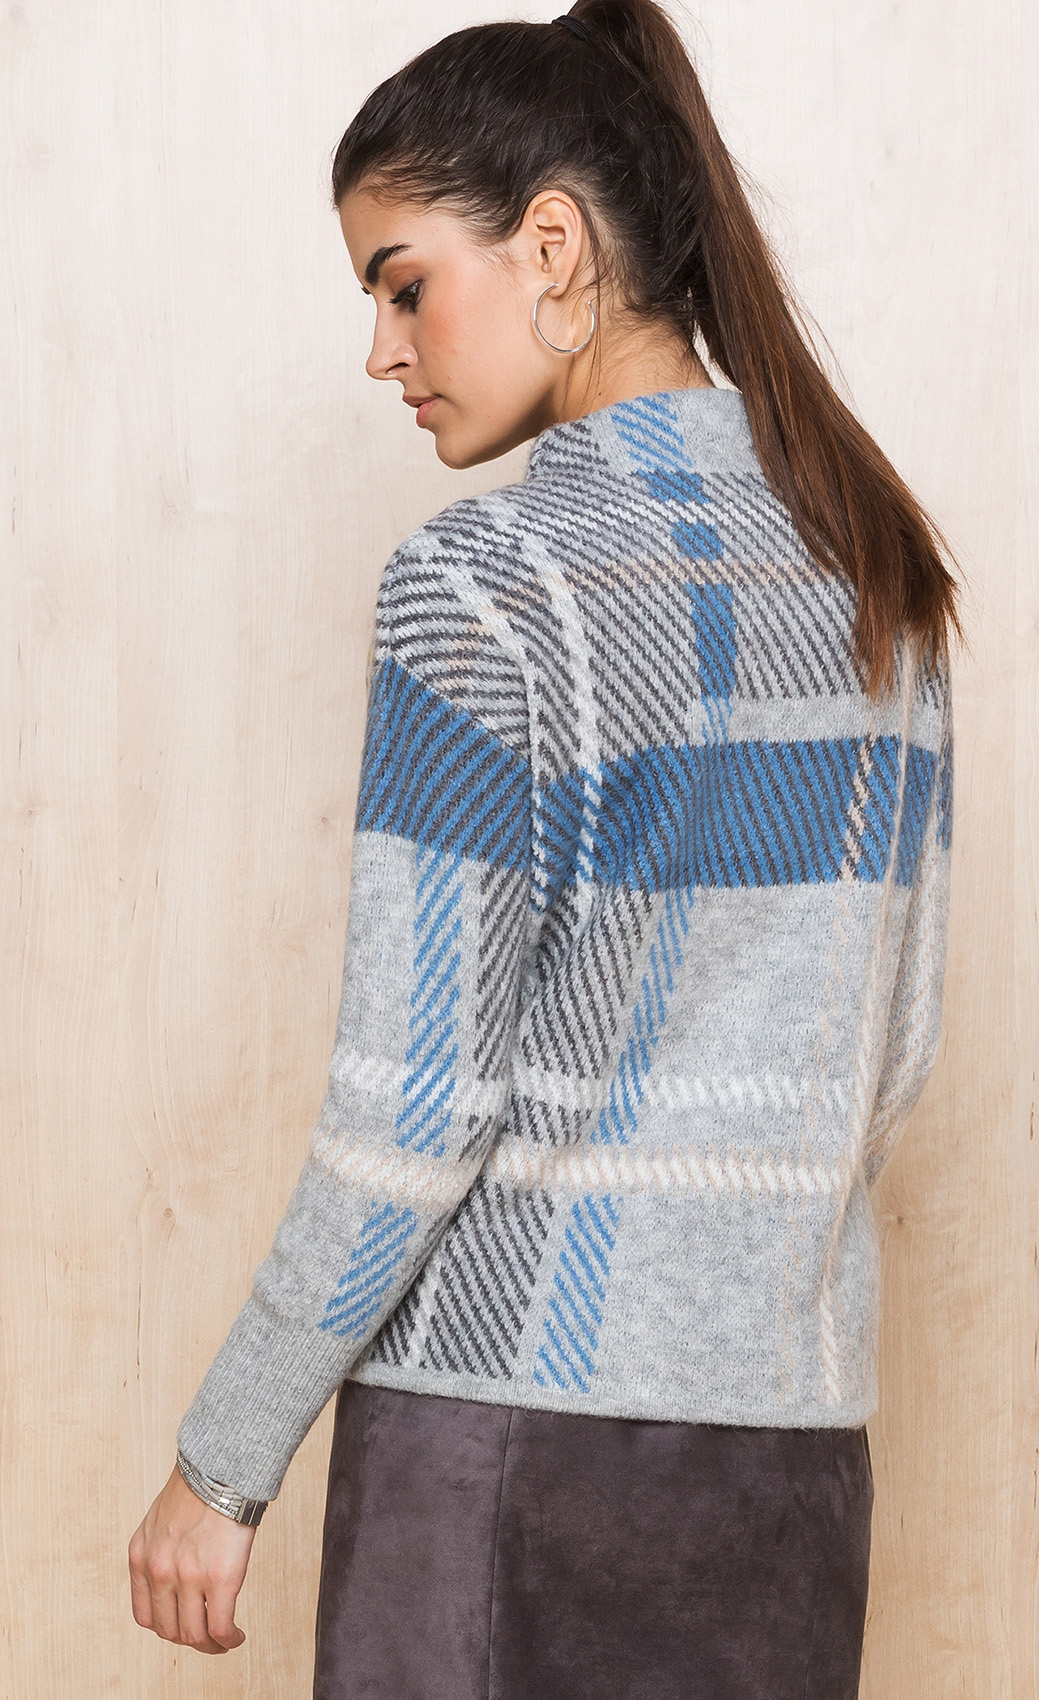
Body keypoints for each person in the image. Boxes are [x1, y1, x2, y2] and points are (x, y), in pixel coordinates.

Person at [128, 2, 963, 1694]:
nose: (383, 350)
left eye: (403, 282)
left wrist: (223, 1461)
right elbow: (896, 1056)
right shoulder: (882, 579)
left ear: (555, 247)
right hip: (791, 1460)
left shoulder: (481, 586)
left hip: (497, 1442)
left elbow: (412, 1109)